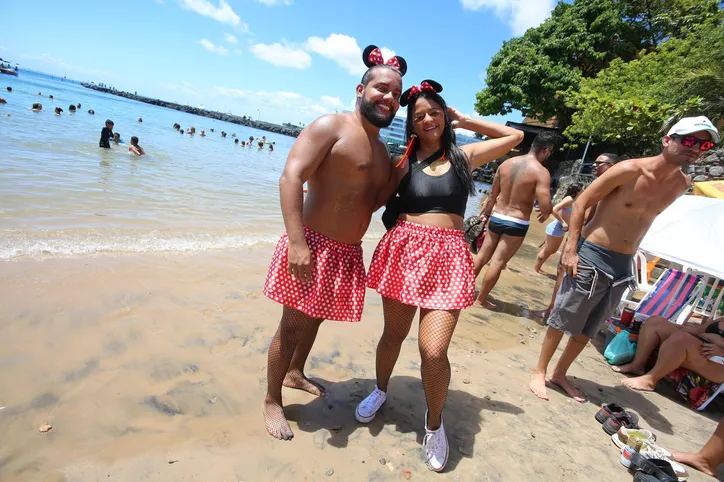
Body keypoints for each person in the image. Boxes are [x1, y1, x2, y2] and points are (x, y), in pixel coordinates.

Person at [356, 79, 523, 472]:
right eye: (419, 116)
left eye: (435, 112)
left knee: (433, 350)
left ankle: (434, 424)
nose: (428, 119)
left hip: (447, 258)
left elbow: (514, 135)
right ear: (411, 125)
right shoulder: (404, 164)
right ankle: (380, 390)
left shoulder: (465, 156)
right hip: (405, 251)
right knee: (392, 336)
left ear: (444, 117)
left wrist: (465, 119)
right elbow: (373, 198)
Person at [262, 44, 407, 441]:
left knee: (316, 318)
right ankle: (272, 400)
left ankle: (294, 372)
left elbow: (371, 203)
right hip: (310, 242)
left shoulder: (381, 151)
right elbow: (291, 177)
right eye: (381, 88)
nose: (389, 98)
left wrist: (397, 176)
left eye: (396, 94)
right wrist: (296, 242)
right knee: (291, 326)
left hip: (345, 254)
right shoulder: (332, 126)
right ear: (361, 91)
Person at [530, 116, 720, 403]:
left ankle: (560, 373)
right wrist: (570, 249)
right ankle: (539, 371)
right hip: (593, 252)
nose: (695, 148)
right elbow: (582, 203)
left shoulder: (682, 184)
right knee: (564, 316)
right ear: (668, 139)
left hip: (623, 263)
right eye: (689, 140)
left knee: (589, 328)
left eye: (704, 144)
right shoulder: (629, 169)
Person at [471, 132, 558, 308]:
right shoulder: (541, 172)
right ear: (547, 150)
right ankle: (480, 300)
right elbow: (545, 205)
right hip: (516, 222)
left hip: (497, 217)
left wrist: (486, 214)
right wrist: (546, 211)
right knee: (497, 262)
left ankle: (462, 291)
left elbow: (492, 195)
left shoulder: (506, 164)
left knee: (481, 256)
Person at [540, 153, 620, 317]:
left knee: (564, 275)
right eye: (594, 162)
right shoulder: (603, 186)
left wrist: (573, 242)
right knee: (563, 274)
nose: (594, 165)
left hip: (584, 240)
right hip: (581, 238)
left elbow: (587, 216)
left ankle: (552, 312)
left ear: (613, 167)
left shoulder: (604, 188)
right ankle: (553, 311)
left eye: (600, 163)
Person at [615, 316, 724, 391]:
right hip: (700, 346)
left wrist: (721, 350)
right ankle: (637, 365)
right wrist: (672, 326)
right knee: (655, 322)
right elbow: (697, 331)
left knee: (681, 338)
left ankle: (650, 381)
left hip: (718, 363)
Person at [534, 183, 584, 273]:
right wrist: (563, 222)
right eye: (582, 189)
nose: (584, 191)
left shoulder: (573, 200)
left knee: (551, 250)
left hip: (559, 229)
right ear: (578, 191)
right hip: (556, 227)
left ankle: (537, 268)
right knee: (548, 251)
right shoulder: (569, 200)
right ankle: (535, 270)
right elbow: (554, 209)